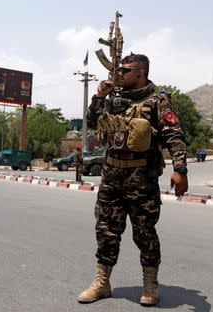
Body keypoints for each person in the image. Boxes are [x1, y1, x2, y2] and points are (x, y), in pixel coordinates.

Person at [79, 54, 188, 306]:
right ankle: (101, 282)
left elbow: (174, 135)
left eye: (124, 70)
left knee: (145, 233)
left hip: (142, 179)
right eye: (118, 70)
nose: (118, 74)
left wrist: (180, 169)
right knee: (105, 231)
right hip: (111, 177)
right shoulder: (113, 101)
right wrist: (98, 97)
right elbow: (91, 121)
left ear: (141, 73)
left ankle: (150, 284)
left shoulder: (157, 102)